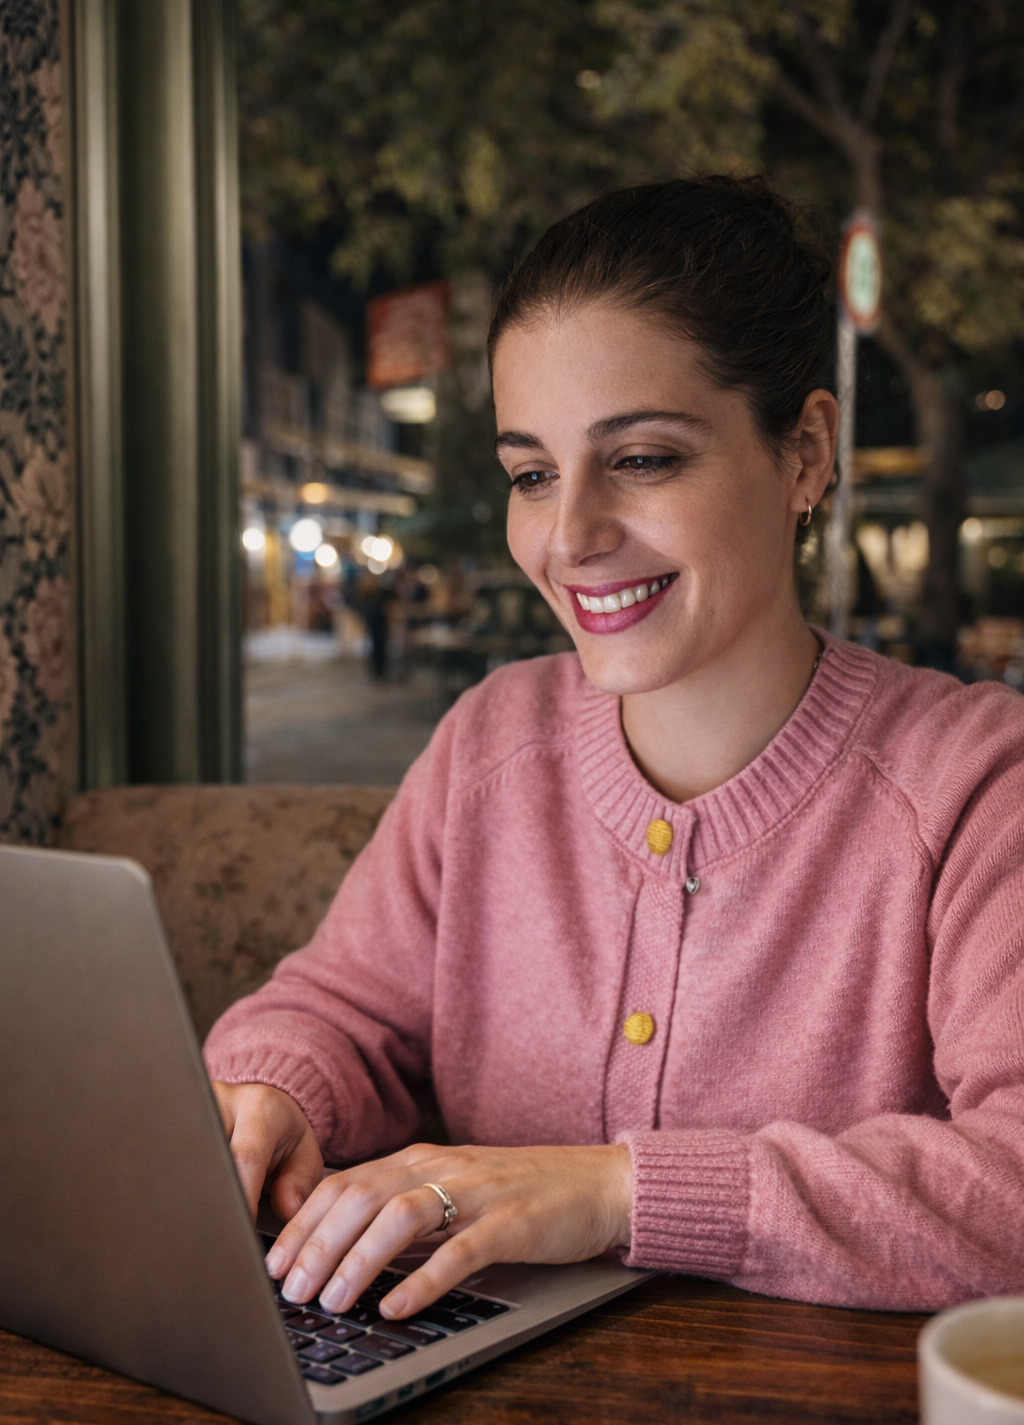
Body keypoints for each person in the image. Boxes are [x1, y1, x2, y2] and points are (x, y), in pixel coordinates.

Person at [205, 178, 1024, 1323]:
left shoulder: (978, 783)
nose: (570, 536)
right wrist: (272, 1092)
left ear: (803, 453)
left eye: (641, 459)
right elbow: (340, 1013)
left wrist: (618, 1188)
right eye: (531, 474)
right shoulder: (491, 741)